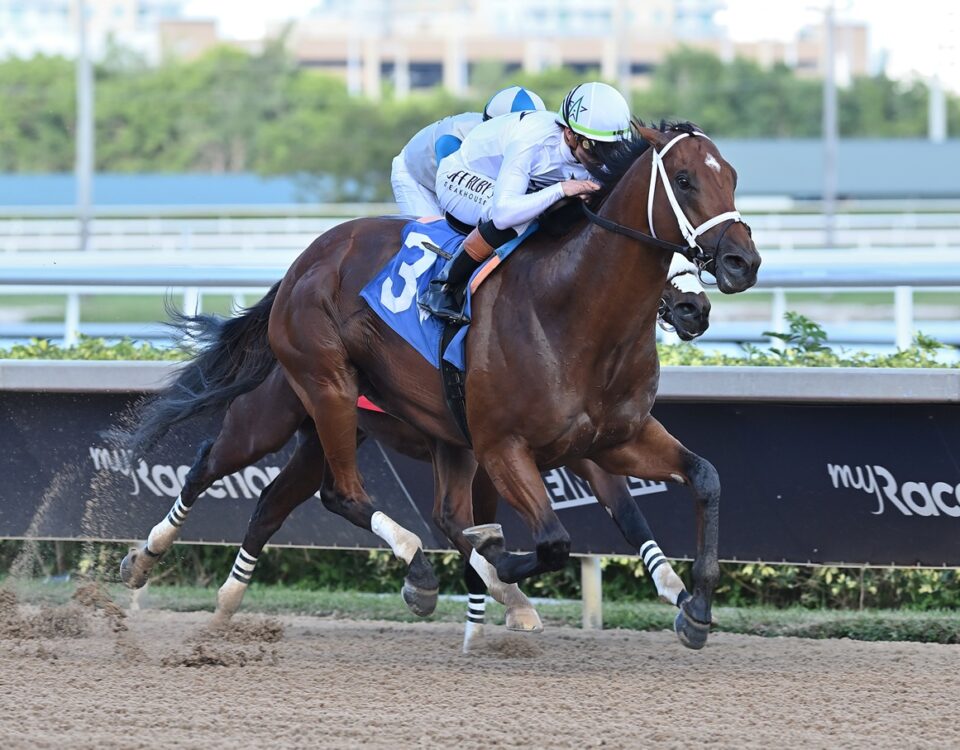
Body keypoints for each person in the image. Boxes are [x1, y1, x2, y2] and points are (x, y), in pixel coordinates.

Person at [420, 81, 633, 322]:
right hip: (462, 175)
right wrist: (562, 189)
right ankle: (443, 286)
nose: (601, 162)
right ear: (570, 134)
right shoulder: (531, 141)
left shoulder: (588, 145)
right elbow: (503, 213)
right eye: (595, 150)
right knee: (519, 217)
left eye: (611, 150)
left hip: (511, 182)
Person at [390, 86, 547, 217]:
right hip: (417, 177)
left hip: (445, 177)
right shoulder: (453, 139)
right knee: (434, 236)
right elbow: (453, 191)